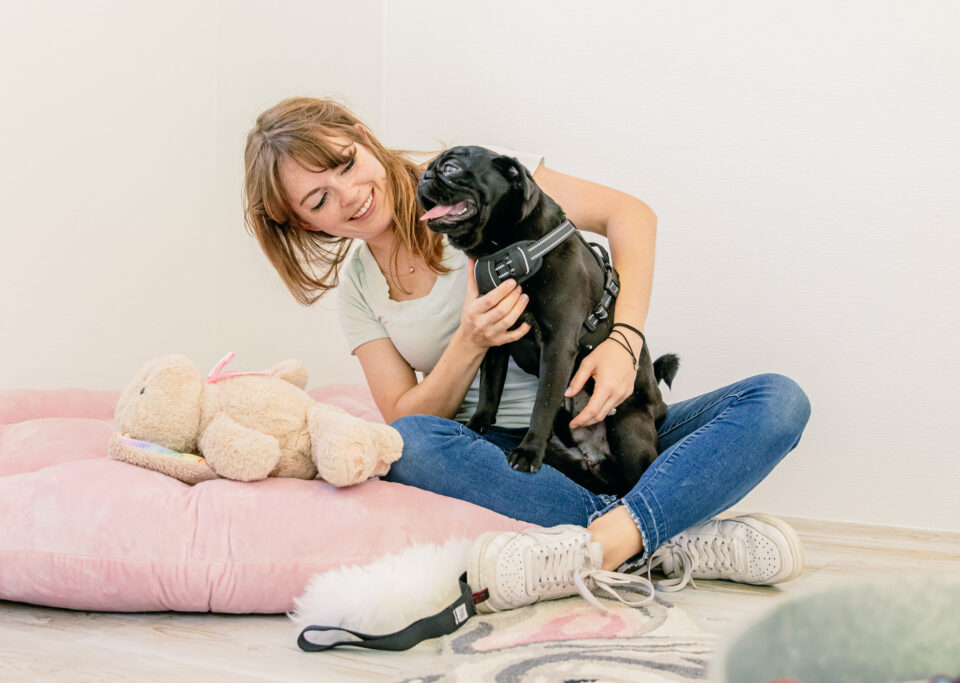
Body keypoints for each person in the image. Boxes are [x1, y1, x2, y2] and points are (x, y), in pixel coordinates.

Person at [243, 97, 811, 613]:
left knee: (778, 400)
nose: (349, 194)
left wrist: (624, 339)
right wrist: (471, 339)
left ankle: (602, 544)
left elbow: (631, 215)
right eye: (319, 199)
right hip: (510, 456)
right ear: (302, 221)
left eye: (346, 164)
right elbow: (405, 417)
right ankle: (654, 532)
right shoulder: (360, 292)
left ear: (362, 136)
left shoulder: (482, 175)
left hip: (611, 417)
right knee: (410, 445)